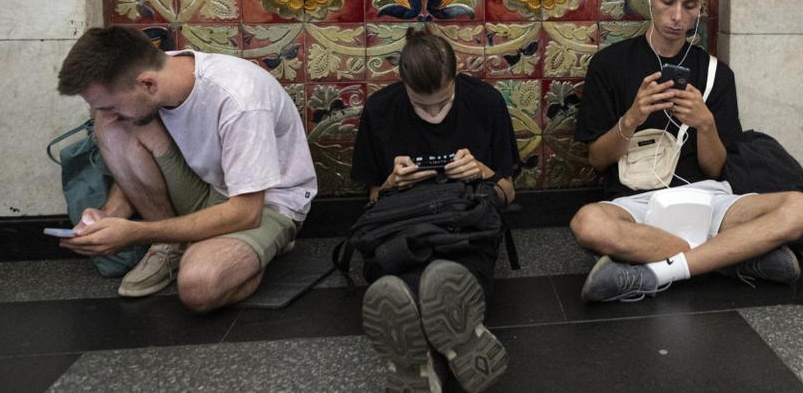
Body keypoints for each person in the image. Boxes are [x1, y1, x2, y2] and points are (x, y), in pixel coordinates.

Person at [569, 0, 803, 302]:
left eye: (690, 7)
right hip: (638, 204)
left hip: (710, 199)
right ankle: (731, 258)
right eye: (668, 2)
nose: (677, 17)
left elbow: (716, 168)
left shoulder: (716, 73)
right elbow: (597, 160)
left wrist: (706, 124)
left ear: (700, 8)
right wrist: (632, 118)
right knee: (587, 223)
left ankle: (653, 272)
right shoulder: (610, 65)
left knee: (801, 209)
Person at [55, 27, 317, 312]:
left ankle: (256, 247)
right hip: (209, 186)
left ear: (148, 85)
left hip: (264, 204)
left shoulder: (239, 100)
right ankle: (172, 246)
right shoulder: (151, 71)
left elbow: (246, 213)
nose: (106, 113)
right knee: (113, 126)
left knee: (199, 286)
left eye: (110, 105)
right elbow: (132, 156)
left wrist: (136, 232)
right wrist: (107, 217)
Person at [351, 29, 516, 392]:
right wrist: (392, 183)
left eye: (443, 102)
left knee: (457, 266)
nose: (435, 114)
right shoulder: (380, 109)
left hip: (464, 225)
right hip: (403, 223)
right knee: (403, 267)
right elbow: (373, 198)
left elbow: (507, 192)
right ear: (403, 83)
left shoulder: (485, 102)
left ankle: (420, 357)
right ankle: (456, 334)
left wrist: (483, 172)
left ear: (455, 79)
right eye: (422, 106)